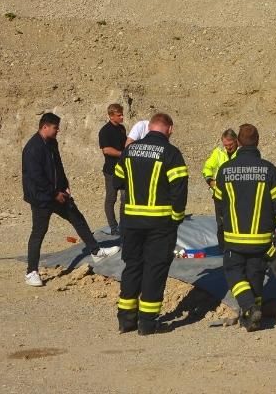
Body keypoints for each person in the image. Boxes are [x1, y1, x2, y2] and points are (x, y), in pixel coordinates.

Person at [22, 113, 120, 287]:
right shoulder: (32, 148)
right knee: (38, 232)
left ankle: (96, 251)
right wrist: (54, 193)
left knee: (77, 218)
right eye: (55, 127)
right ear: (45, 126)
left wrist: (64, 185)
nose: (58, 130)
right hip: (41, 198)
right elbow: (36, 177)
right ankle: (31, 272)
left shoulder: (52, 143)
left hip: (58, 193)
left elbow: (57, 165)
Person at [113, 112, 188, 335]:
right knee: (155, 269)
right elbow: (179, 191)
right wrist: (176, 218)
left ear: (149, 127)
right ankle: (147, 322)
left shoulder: (129, 150)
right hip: (160, 223)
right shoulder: (171, 153)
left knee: (132, 266)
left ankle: (126, 319)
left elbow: (118, 181)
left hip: (131, 221)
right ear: (169, 129)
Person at [216, 124, 276, 332]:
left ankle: (248, 306)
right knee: (255, 274)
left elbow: (219, 202)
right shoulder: (269, 170)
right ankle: (252, 318)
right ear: (257, 141)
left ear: (238, 142)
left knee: (233, 272)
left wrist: (223, 226)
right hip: (261, 239)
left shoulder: (225, 170)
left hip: (234, 238)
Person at [201, 128, 239, 252]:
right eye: (225, 145)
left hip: (237, 195)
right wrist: (210, 180)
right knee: (221, 223)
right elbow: (207, 167)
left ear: (236, 141)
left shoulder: (241, 153)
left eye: (230, 144)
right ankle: (222, 250)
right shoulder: (218, 152)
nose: (228, 147)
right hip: (220, 195)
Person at [98, 103, 127, 235]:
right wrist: (123, 154)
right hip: (111, 170)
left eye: (122, 114)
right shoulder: (105, 131)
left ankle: (123, 224)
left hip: (124, 169)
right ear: (111, 116)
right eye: (119, 115)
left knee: (125, 198)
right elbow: (106, 150)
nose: (122, 117)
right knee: (111, 199)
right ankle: (114, 227)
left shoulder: (122, 129)